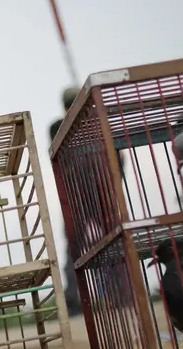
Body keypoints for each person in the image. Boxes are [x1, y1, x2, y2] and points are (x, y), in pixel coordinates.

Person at [49, 87, 127, 316]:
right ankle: (123, 299)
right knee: (116, 242)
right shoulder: (103, 123)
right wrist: (114, 186)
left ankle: (77, 304)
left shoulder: (58, 128)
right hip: (104, 193)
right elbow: (120, 160)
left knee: (75, 251)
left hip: (75, 197)